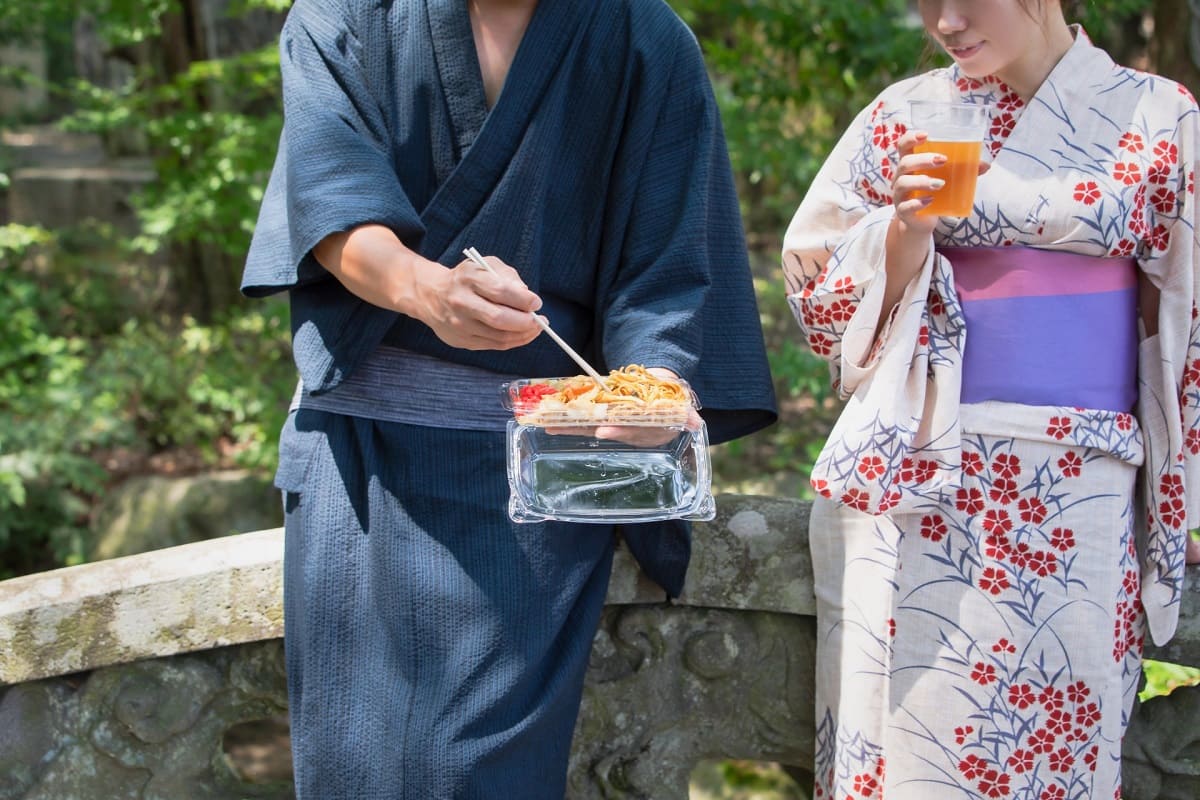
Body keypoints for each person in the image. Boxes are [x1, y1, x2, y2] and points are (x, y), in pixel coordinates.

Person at [240, 0, 777, 797]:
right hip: (361, 451)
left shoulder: (642, 36)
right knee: (357, 765)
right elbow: (330, 210)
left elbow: (669, 272)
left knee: (480, 771)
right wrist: (430, 292)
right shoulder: (343, 15)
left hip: (544, 470)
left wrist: (653, 387)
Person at [782, 1, 1198, 797]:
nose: (944, 21)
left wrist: (1180, 502)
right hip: (918, 477)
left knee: (1054, 751)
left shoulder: (1158, 115)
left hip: (1077, 485)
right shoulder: (903, 116)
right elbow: (821, 306)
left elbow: (1186, 324)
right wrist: (904, 232)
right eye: (926, 1)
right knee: (904, 756)